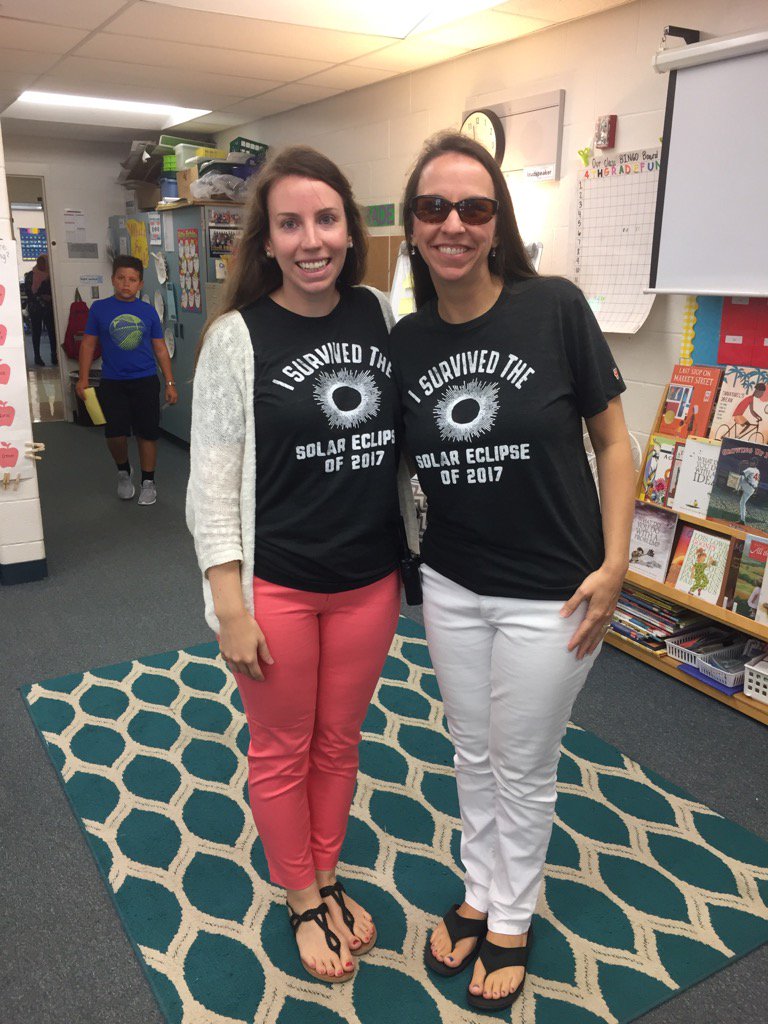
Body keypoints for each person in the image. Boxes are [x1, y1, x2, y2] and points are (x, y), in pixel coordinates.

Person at [389, 132, 635, 1013]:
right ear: (413, 226)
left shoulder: (555, 307)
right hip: (453, 583)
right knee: (471, 749)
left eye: (474, 208)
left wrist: (615, 565)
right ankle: (477, 887)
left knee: (523, 761)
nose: (453, 223)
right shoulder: (408, 340)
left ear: (497, 225)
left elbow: (613, 441)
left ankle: (511, 915)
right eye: (433, 208)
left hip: (556, 591)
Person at [186, 145, 417, 985]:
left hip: (368, 583)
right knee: (283, 748)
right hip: (277, 588)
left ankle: (326, 871)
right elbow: (210, 481)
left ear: (350, 229)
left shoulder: (380, 315)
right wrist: (229, 605)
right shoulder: (236, 339)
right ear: (269, 239)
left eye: (326, 219)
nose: (311, 239)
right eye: (291, 224)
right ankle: (300, 896)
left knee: (340, 742)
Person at [76, 256, 177, 505]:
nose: (126, 284)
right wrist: (83, 378)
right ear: (113, 279)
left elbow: (160, 349)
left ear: (140, 284)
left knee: (147, 434)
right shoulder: (99, 309)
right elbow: (88, 344)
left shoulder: (147, 311)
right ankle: (123, 471)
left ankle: (148, 482)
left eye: (132, 280)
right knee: (115, 435)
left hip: (145, 380)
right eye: (121, 278)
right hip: (113, 382)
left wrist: (170, 383)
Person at [24, 254, 57, 366]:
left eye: (43, 263)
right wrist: (41, 297)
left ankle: (54, 355)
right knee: (36, 332)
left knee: (52, 332)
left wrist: (50, 297)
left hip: (48, 308)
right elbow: (28, 292)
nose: (42, 265)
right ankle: (37, 356)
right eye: (39, 263)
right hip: (35, 308)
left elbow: (55, 289)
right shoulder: (30, 275)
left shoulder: (51, 275)